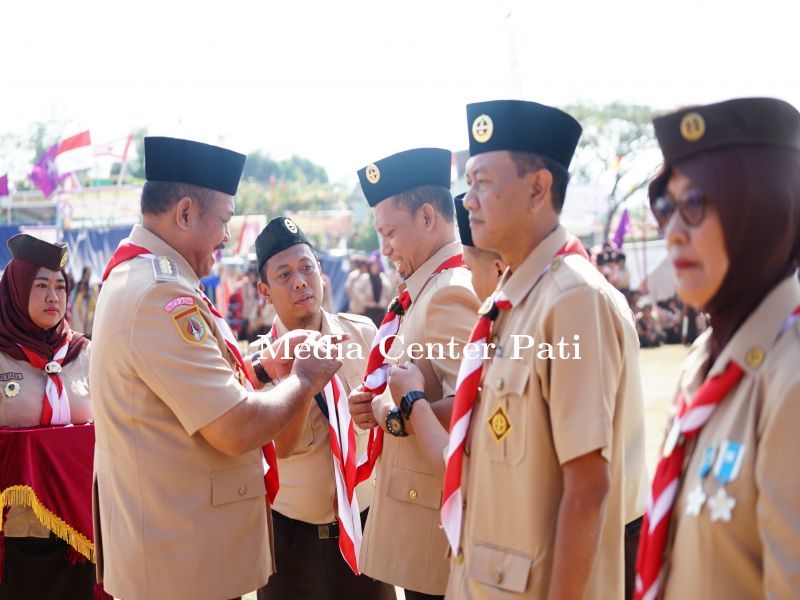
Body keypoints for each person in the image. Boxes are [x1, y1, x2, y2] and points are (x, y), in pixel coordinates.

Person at [90, 136, 342, 600]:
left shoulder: (145, 279)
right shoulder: (160, 294)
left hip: (179, 555)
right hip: (183, 567)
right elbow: (234, 427)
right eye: (224, 220)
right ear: (185, 214)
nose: (228, 236)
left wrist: (262, 372)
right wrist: (305, 377)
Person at [442, 100, 647, 599]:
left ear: (538, 189)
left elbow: (587, 486)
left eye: (483, 182)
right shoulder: (514, 301)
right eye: (469, 182)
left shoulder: (573, 300)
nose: (469, 200)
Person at [635, 97, 800, 600]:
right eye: (667, 206)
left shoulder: (789, 379)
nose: (673, 233)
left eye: (697, 204)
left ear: (762, 212)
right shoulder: (707, 358)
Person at [349, 147, 480, 599]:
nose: (384, 248)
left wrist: (390, 411)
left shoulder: (449, 292)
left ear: (427, 216)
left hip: (439, 530)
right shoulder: (425, 289)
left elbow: (473, 409)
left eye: (389, 232)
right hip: (426, 519)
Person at [252, 217, 394, 600]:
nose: (300, 281)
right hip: (291, 545)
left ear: (323, 276)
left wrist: (377, 407)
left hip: (364, 532)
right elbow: (279, 449)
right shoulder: (260, 364)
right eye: (284, 274)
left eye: (307, 268)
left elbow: (391, 404)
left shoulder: (363, 334)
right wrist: (304, 380)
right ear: (264, 290)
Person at [0, 234, 95, 599]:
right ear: (16, 288)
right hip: (16, 538)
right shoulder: (3, 355)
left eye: (60, 286)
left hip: (81, 535)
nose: (53, 296)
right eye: (41, 285)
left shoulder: (84, 353)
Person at [352, 253, 393, 326]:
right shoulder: (366, 277)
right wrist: (364, 299)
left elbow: (389, 290)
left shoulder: (382, 277)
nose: (375, 267)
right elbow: (357, 289)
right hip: (369, 308)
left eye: (376, 265)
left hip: (380, 308)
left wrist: (385, 301)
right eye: (373, 265)